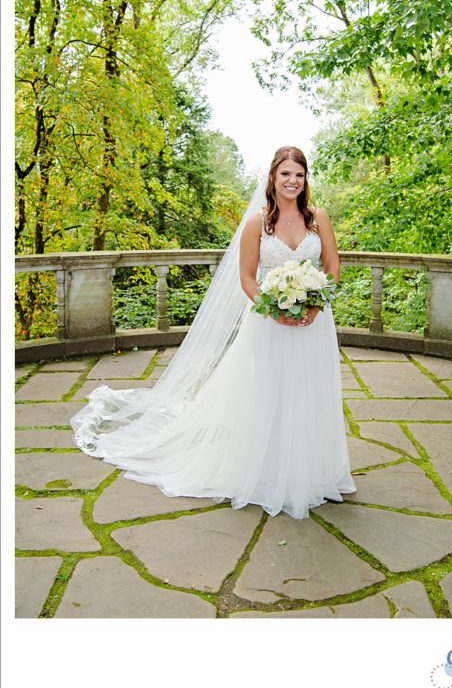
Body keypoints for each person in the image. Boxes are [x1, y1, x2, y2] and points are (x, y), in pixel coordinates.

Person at [71, 146, 356, 519]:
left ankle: (313, 473)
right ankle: (269, 473)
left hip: (314, 324)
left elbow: (332, 266)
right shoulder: (258, 223)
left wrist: (315, 305)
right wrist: (275, 310)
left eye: (299, 175)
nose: (293, 181)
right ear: (273, 177)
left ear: (306, 180)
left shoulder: (318, 218)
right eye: (285, 174)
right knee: (270, 391)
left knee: (310, 391)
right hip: (269, 322)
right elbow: (247, 278)